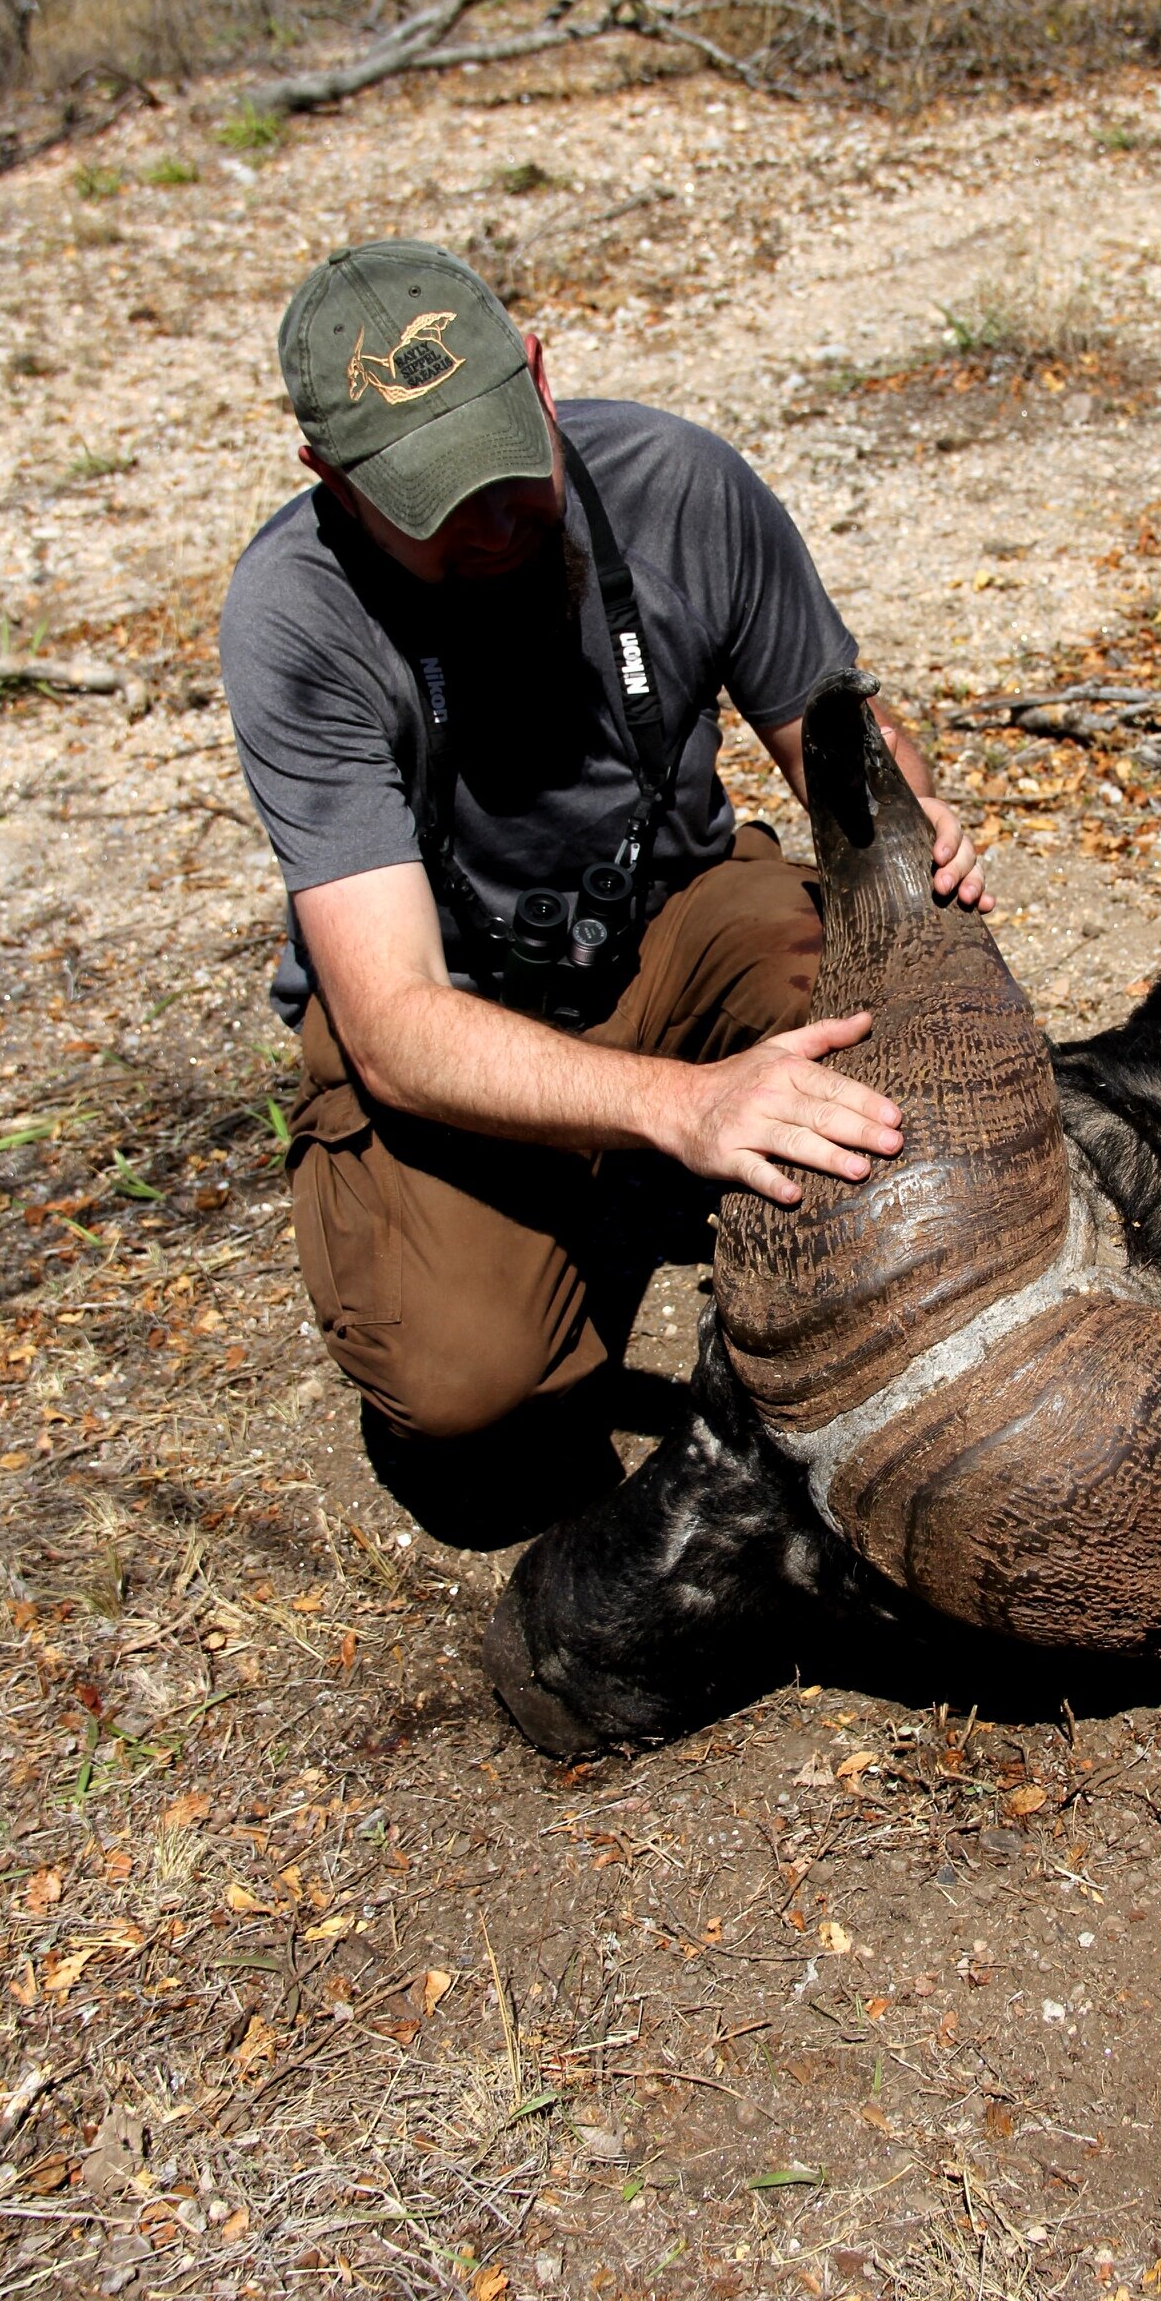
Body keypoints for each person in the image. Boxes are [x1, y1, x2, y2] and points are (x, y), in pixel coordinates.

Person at [221, 239, 989, 1543]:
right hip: (460, 1013)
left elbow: (829, 738)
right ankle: (604, 1176)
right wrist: (680, 1107)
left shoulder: (679, 482)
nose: (493, 522)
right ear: (331, 485)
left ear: (537, 371)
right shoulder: (294, 617)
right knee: (470, 1396)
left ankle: (738, 1205)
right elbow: (398, 1025)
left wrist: (915, 828)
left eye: (502, 466)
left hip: (673, 918)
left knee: (910, 986)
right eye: (433, 501)